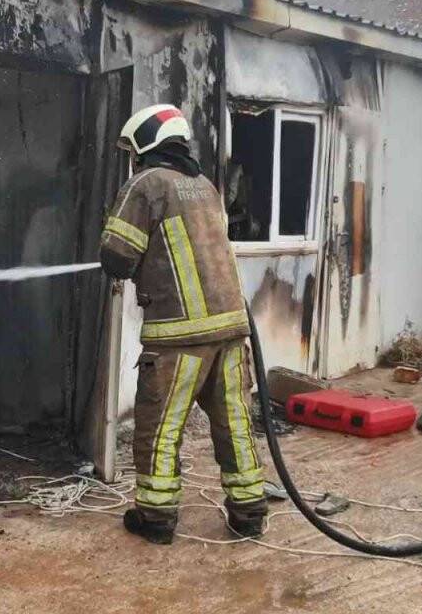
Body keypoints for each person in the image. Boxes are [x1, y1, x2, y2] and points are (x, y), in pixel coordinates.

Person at [99, 104, 267, 544]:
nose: (132, 160)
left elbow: (117, 257)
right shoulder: (205, 186)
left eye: (132, 151)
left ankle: (155, 520)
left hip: (179, 337)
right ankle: (248, 514)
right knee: (235, 424)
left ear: (144, 145)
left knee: (160, 428)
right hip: (231, 330)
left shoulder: (146, 184)